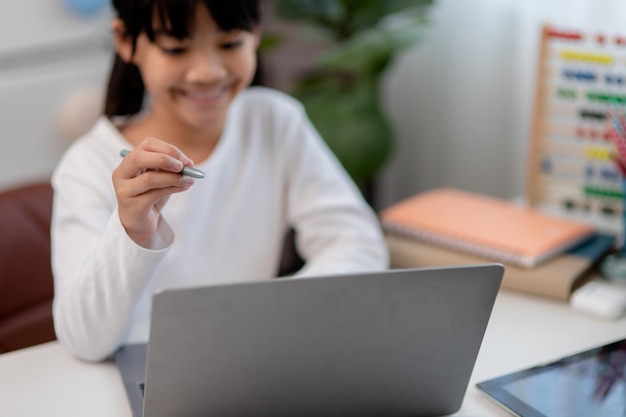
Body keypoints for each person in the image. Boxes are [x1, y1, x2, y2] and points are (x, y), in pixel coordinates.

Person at [51, 0, 389, 362]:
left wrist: (277, 312)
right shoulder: (87, 166)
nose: (206, 72)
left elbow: (358, 243)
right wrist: (131, 231)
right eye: (176, 49)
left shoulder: (275, 122)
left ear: (256, 32)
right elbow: (84, 341)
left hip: (253, 360)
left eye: (229, 44)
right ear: (126, 41)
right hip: (143, 370)